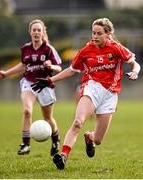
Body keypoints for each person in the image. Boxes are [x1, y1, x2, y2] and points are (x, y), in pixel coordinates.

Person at [31, 18, 141, 169]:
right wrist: (50, 80)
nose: (94, 36)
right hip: (92, 88)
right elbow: (71, 70)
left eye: (99, 33)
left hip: (110, 95)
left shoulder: (116, 48)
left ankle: (90, 138)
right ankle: (63, 156)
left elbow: (135, 63)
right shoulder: (86, 50)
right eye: (93, 33)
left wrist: (134, 72)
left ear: (108, 34)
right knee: (78, 122)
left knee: (98, 140)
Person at [0, 19, 62, 156]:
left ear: (43, 32)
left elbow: (59, 68)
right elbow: (23, 65)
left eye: (39, 30)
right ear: (30, 32)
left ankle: (55, 140)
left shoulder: (48, 49)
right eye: (34, 30)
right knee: (27, 111)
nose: (36, 32)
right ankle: (25, 144)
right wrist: (6, 73)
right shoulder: (25, 48)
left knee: (48, 118)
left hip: (44, 84)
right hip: (28, 82)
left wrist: (51, 66)